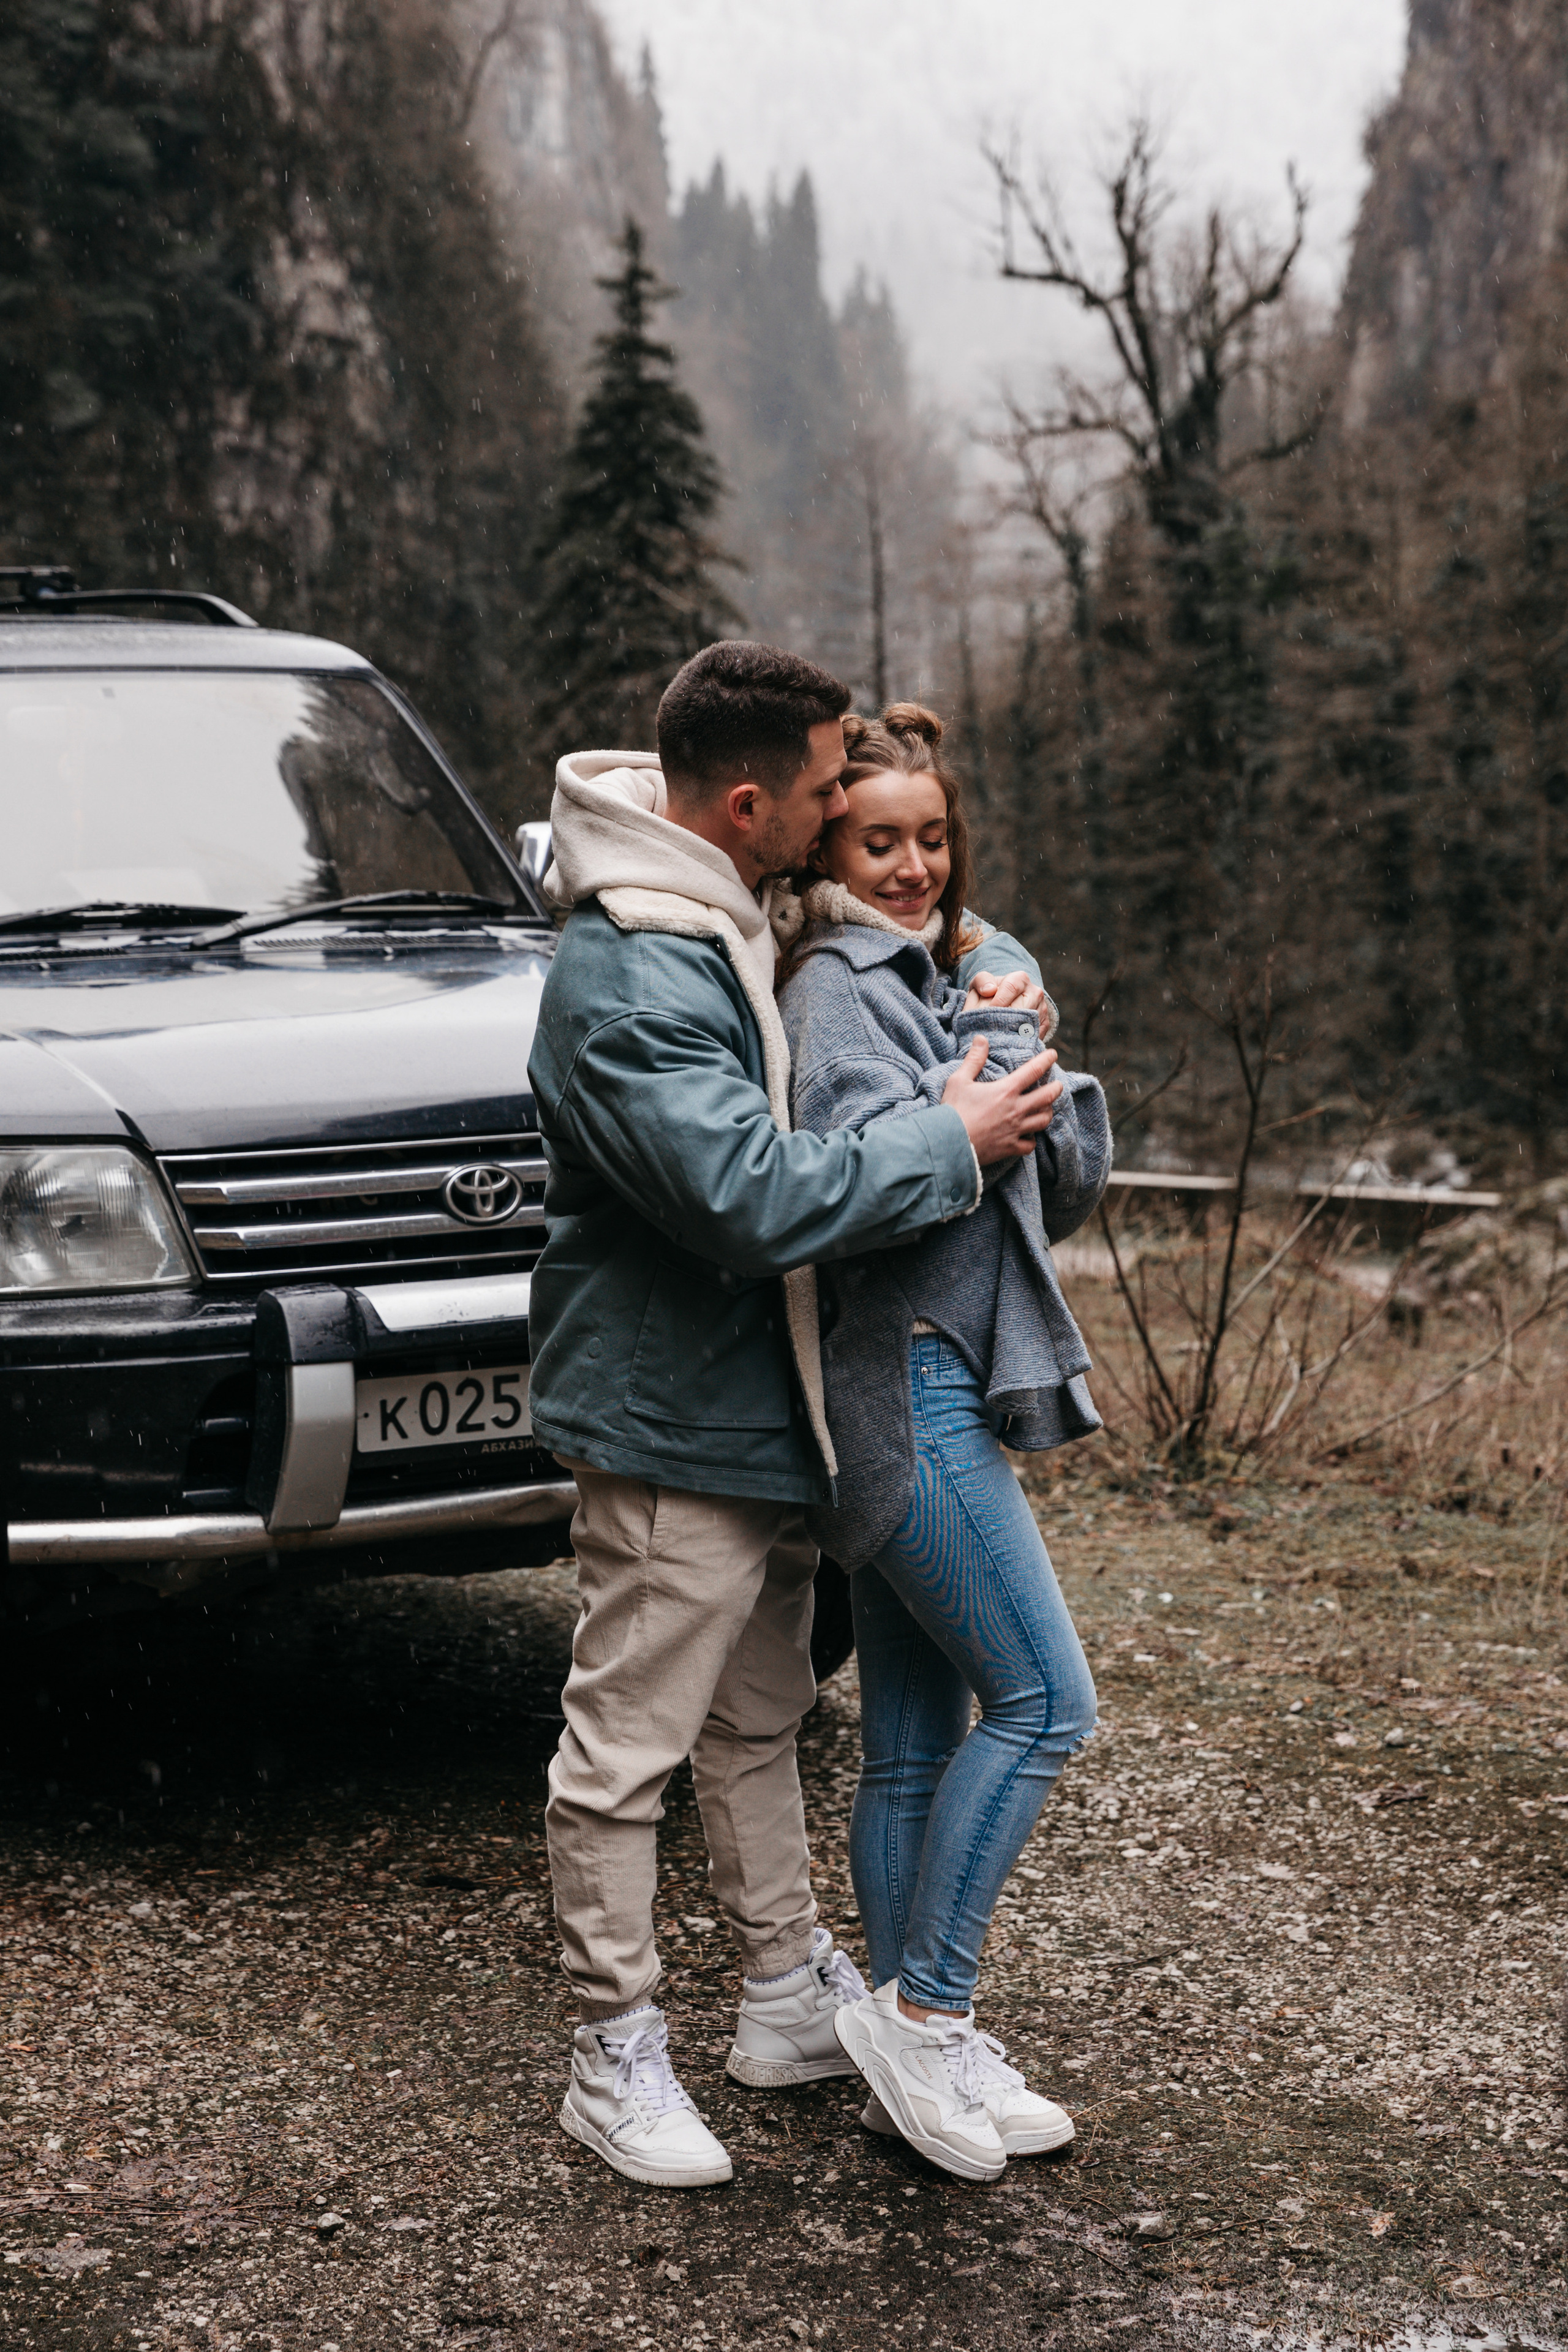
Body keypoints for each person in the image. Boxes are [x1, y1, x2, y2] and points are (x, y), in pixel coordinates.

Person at [525, 643, 1065, 2188]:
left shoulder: (733, 911)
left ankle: (782, 1997)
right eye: (831, 791)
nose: (850, 813)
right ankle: (610, 2050)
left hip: (766, 1410)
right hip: (664, 1417)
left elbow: (867, 943)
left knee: (759, 1723)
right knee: (621, 1749)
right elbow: (744, 1195)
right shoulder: (631, 966)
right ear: (752, 803)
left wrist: (982, 980)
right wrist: (949, 1135)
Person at [775, 703, 1109, 2184]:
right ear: (830, 847)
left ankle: (915, 2061)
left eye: (929, 839)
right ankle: (928, 2008)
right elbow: (860, 1187)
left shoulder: (953, 976)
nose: (908, 865)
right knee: (1043, 1702)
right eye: (876, 840)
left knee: (910, 1748)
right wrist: (969, 1070)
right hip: (900, 1391)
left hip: (937, 1385)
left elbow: (1066, 1186)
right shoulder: (839, 990)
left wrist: (1029, 1036)